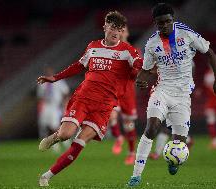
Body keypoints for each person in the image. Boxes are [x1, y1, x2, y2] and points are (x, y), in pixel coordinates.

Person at [37, 11, 142, 187]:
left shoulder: (127, 51)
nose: (115, 32)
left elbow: (139, 64)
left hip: (104, 107)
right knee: (66, 134)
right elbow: (78, 66)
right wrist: (55, 77)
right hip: (83, 98)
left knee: (79, 143)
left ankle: (46, 176)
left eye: (119, 29)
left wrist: (143, 69)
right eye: (112, 27)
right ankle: (56, 136)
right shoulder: (93, 46)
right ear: (105, 27)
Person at [127, 3, 216, 186]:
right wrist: (140, 79)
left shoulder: (186, 34)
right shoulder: (152, 44)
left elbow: (210, 53)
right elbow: (147, 70)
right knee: (152, 128)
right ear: (155, 23)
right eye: (160, 23)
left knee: (179, 141)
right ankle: (136, 176)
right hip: (162, 90)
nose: (164, 25)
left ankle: (174, 159)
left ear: (173, 19)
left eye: (167, 21)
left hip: (182, 96)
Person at [109, 26, 139, 165]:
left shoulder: (135, 51)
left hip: (128, 93)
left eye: (122, 30)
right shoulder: (111, 51)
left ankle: (132, 152)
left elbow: (137, 72)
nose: (119, 33)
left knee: (129, 125)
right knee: (111, 115)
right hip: (114, 91)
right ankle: (118, 137)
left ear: (127, 33)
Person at [37, 66, 70, 152]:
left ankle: (58, 143)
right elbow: (41, 97)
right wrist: (40, 107)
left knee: (54, 125)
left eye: (50, 71)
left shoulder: (59, 82)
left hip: (55, 106)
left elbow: (66, 92)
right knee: (46, 124)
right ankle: (61, 141)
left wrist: (65, 104)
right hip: (46, 106)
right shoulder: (43, 83)